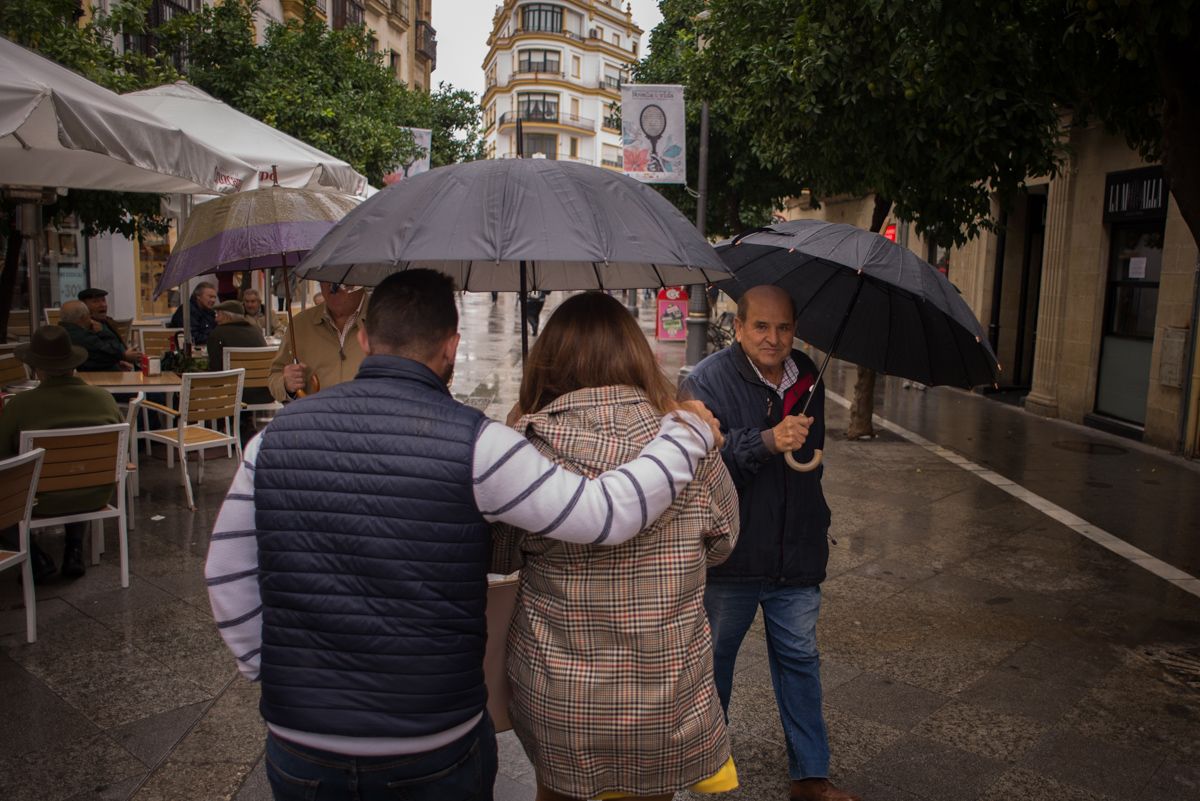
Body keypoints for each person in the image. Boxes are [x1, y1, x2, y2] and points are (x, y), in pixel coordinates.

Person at [205, 269, 723, 801]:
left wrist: (268, 671)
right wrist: (686, 433)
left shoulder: (270, 441)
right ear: (452, 345)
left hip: (302, 739)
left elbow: (227, 574)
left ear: (365, 338)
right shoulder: (481, 445)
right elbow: (605, 514)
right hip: (433, 736)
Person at [492, 292, 740, 801]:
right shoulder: (690, 442)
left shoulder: (528, 451)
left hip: (560, 700)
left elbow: (499, 556)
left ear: (548, 361)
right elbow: (724, 543)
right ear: (635, 354)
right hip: (666, 697)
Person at [681, 285, 860, 801]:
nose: (773, 338)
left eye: (783, 327)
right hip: (733, 555)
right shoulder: (706, 380)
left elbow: (809, 460)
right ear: (738, 328)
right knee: (714, 664)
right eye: (761, 326)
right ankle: (706, 770)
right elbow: (697, 467)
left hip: (797, 551)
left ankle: (810, 776)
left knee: (801, 661)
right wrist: (765, 440)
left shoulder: (809, 377)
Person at [0, 326, 123, 579]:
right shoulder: (103, 399)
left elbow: (3, 455)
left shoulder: (20, 405)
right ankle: (74, 549)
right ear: (73, 365)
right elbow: (124, 449)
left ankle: (36, 557)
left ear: (37, 369)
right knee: (78, 471)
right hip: (97, 493)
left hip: (40, 500)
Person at [267, 281, 367, 402]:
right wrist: (286, 384)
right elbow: (275, 376)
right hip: (315, 418)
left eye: (341, 278)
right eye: (325, 277)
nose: (332, 287)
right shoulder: (300, 325)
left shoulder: (385, 320)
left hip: (371, 418)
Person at [207, 300, 269, 442]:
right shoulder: (256, 331)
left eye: (218, 314)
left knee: (215, 384)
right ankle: (245, 423)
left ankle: (223, 428)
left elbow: (216, 371)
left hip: (234, 395)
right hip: (263, 392)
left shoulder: (217, 334)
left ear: (227, 316)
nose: (215, 318)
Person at [59, 301, 141, 372]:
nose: (91, 319)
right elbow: (108, 351)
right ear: (82, 318)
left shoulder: (61, 333)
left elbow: (97, 358)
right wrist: (103, 332)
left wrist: (117, 361)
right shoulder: (83, 337)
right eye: (89, 315)